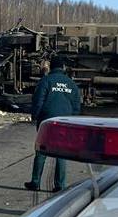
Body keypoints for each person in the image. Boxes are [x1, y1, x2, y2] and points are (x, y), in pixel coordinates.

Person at [25, 57, 81, 192]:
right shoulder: (71, 84)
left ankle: (35, 182)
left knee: (41, 151)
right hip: (65, 123)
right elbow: (76, 105)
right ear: (63, 68)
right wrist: (73, 121)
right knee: (61, 154)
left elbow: (38, 100)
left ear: (51, 67)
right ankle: (60, 185)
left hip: (47, 121)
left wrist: (35, 116)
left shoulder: (46, 81)